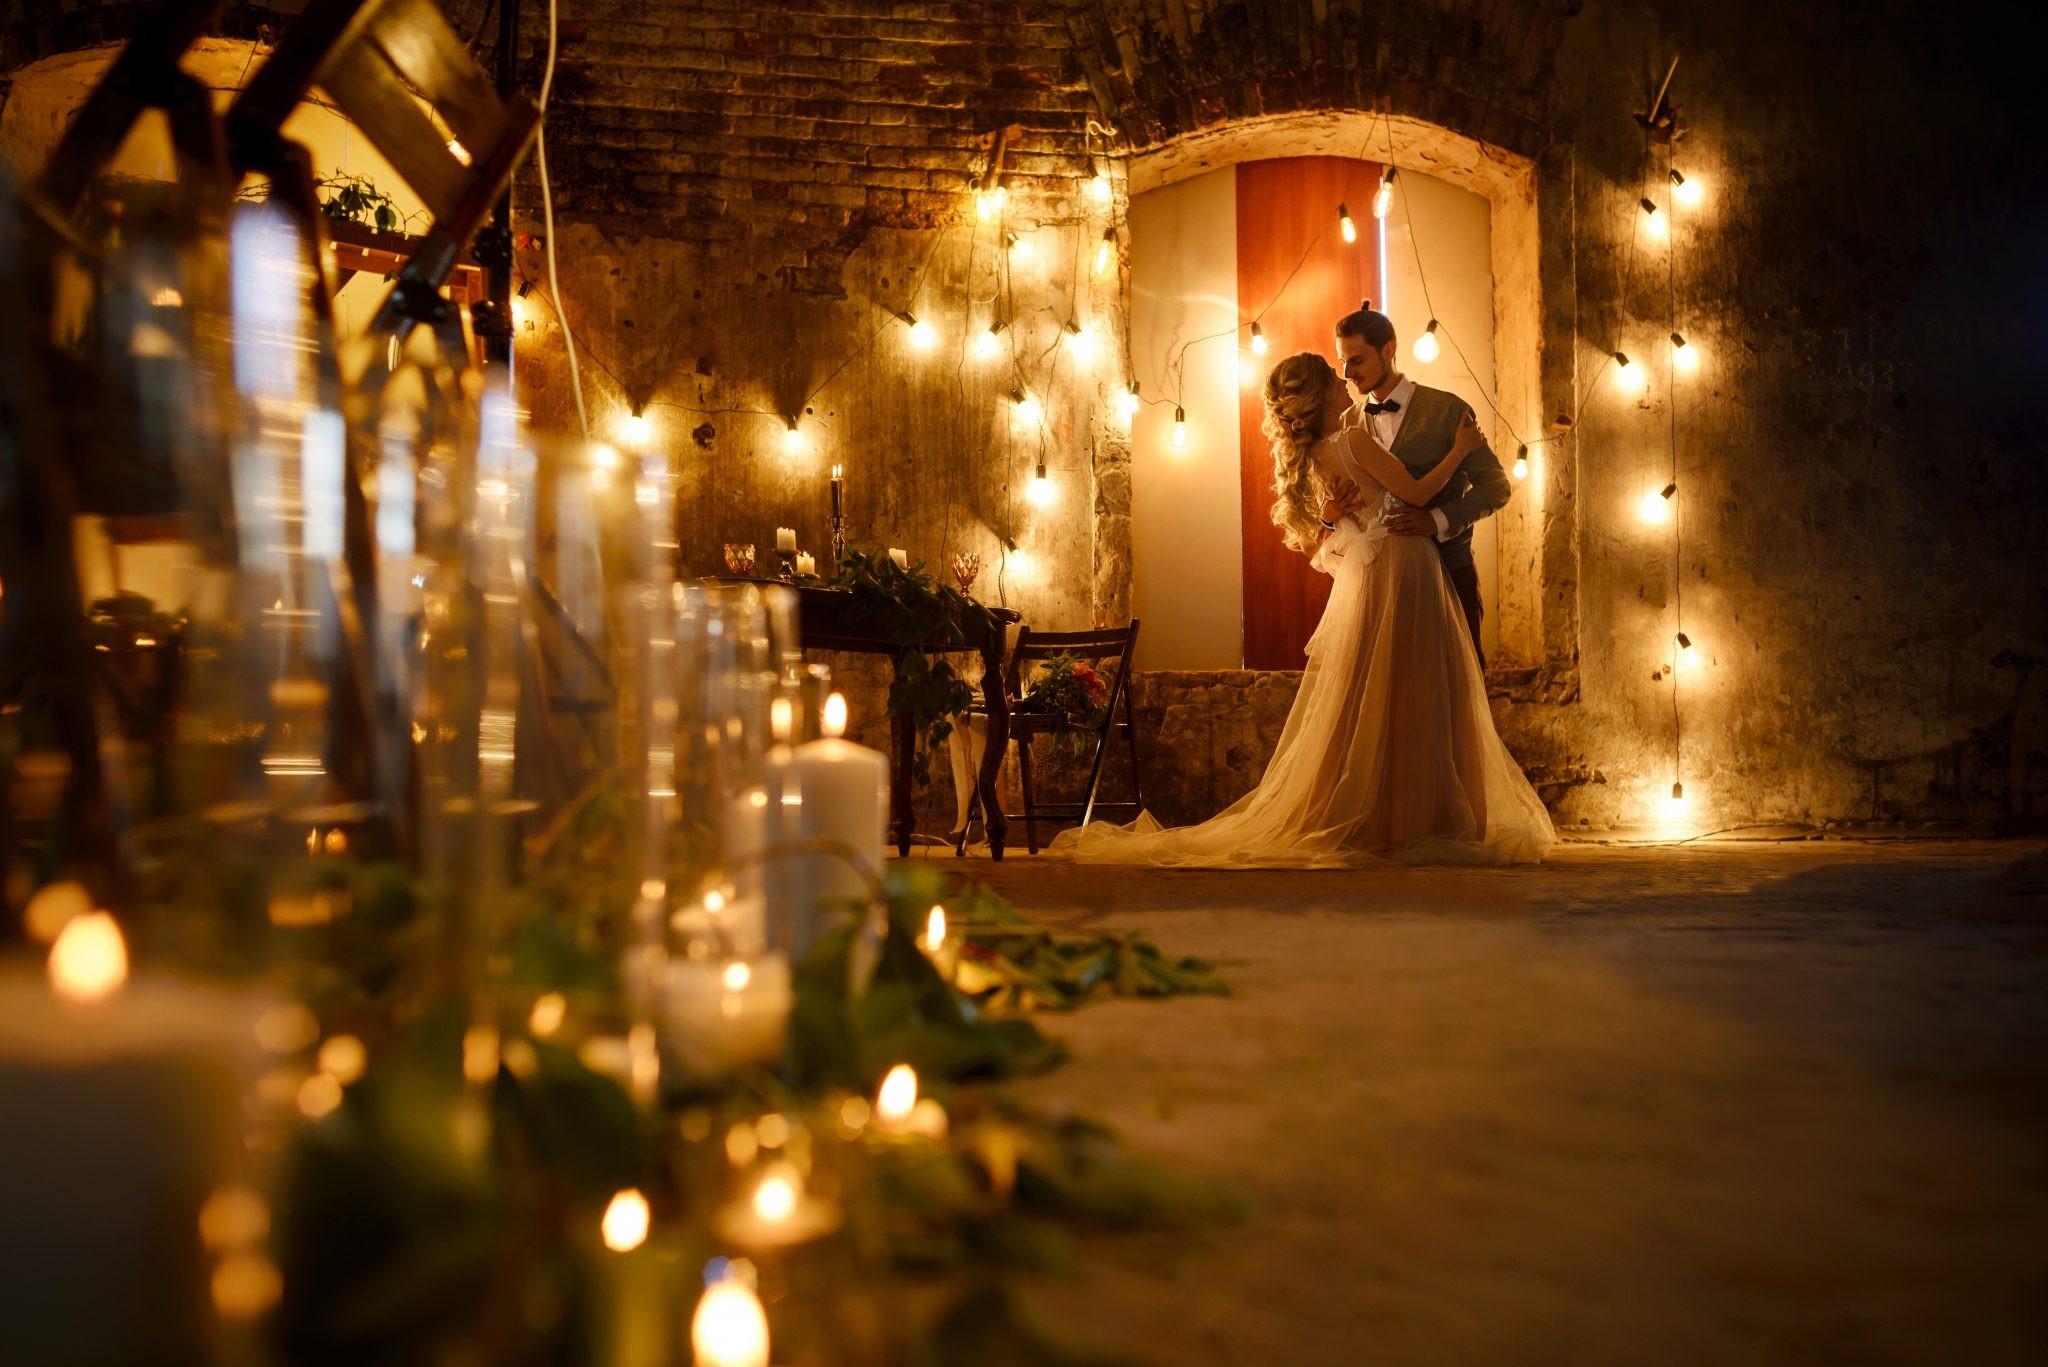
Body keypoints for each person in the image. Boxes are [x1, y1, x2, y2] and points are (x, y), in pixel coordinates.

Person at [1049, 350, 1554, 867]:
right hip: (1404, 564)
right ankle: (1415, 819)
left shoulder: (1314, 455)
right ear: (1322, 395)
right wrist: (1461, 449)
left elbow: (1324, 543)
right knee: (1418, 693)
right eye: (1334, 375)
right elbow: (1420, 493)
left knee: (1374, 694)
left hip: (1370, 574)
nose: (1344, 380)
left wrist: (1334, 517)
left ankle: (1388, 813)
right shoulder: (1354, 438)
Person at [1324, 307, 1509, 666]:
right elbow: (1337, 502)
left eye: (1357, 359)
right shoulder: (1347, 423)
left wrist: (1437, 520)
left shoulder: (1449, 410)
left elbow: (1497, 487)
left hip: (1448, 574)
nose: (1348, 374)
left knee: (1459, 687)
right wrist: (1330, 516)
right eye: (1343, 362)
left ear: (1389, 350)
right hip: (1376, 583)